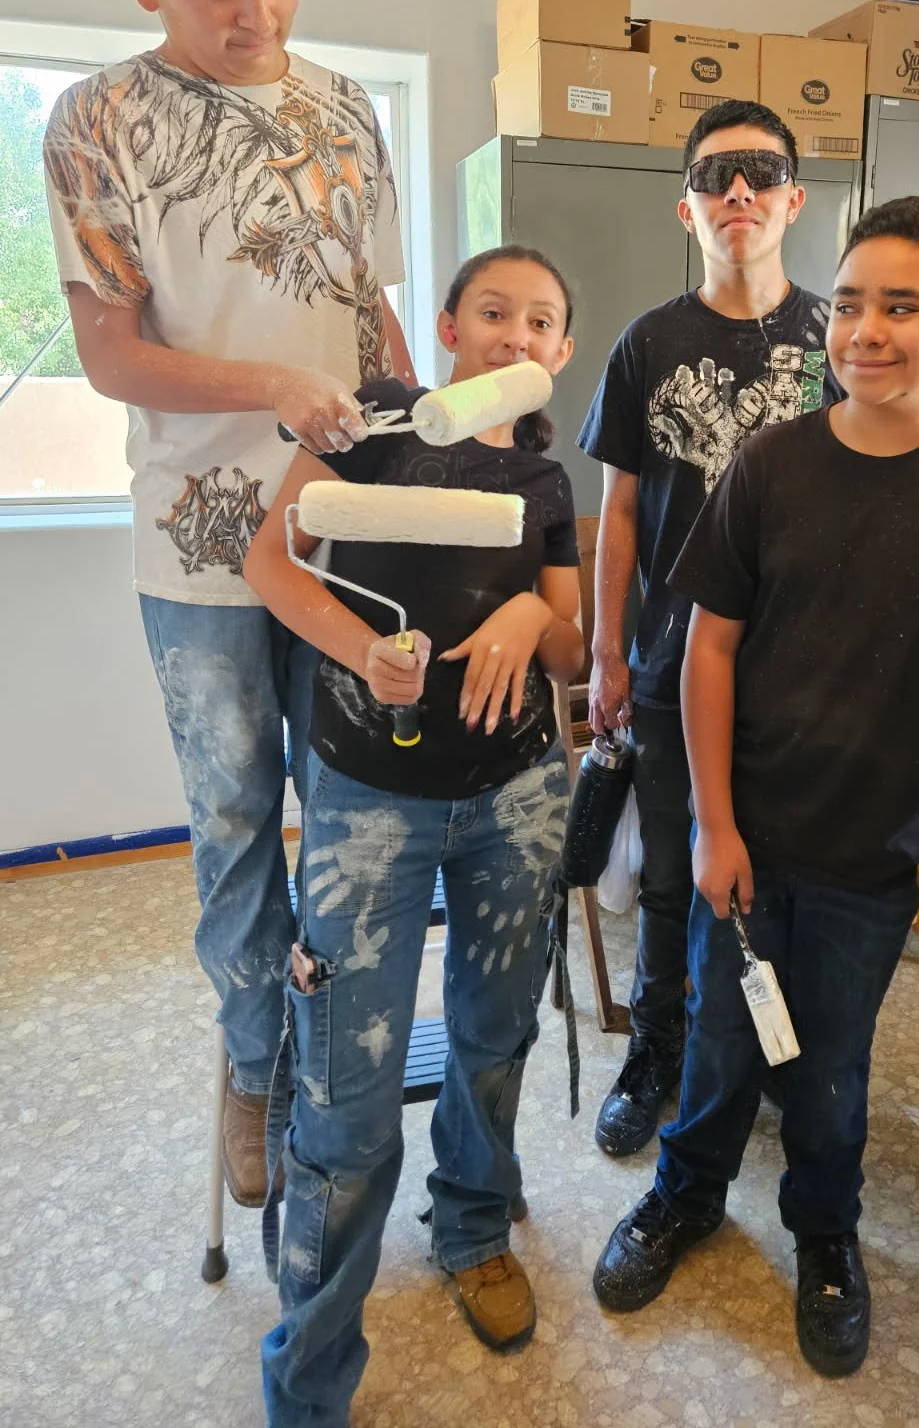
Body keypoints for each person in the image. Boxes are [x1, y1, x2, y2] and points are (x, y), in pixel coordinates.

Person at [592, 196, 919, 1377]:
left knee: (828, 1072)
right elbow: (709, 649)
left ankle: (825, 1232)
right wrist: (713, 824)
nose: (865, 330)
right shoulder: (771, 467)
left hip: (875, 859)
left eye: (902, 307)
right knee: (720, 1040)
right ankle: (685, 1193)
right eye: (851, 302)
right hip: (750, 839)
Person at [41, 0, 415, 1206]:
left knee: (356, 804)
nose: (259, 12)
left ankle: (341, 1051)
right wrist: (273, 385)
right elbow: (111, 356)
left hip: (337, 530)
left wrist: (424, 421)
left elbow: (369, 312)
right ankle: (255, 1064)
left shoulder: (347, 109)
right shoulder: (94, 120)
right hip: (196, 550)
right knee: (239, 818)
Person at [243, 245, 582, 1420]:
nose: (514, 335)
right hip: (367, 801)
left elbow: (571, 644)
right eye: (493, 311)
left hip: (517, 795)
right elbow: (272, 561)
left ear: (559, 352)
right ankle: (310, 1369)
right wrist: (363, 653)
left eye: (539, 322)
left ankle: (473, 1225)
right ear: (448, 328)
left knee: (493, 1035)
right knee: (347, 1086)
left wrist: (531, 610)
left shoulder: (544, 481)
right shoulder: (378, 421)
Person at [577, 99, 839, 1156]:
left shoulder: (837, 340)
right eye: (716, 175)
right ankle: (658, 1049)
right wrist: (607, 651)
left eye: (761, 173)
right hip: (672, 661)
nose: (739, 190)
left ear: (793, 201)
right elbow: (619, 513)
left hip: (800, 672)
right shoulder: (648, 344)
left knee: (779, 870)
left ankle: (763, 1050)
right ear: (686, 208)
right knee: (671, 875)